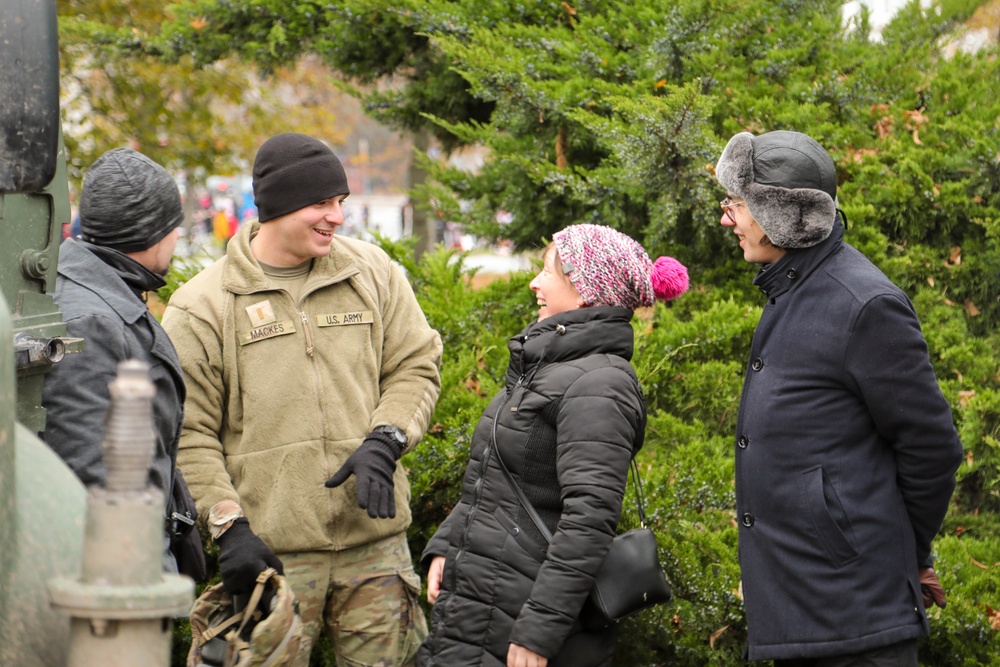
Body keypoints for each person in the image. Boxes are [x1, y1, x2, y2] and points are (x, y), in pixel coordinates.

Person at [161, 132, 443, 666]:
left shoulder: (372, 273)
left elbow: (415, 363)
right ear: (277, 207)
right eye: (320, 203)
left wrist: (388, 437)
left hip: (376, 550)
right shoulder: (202, 306)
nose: (336, 216)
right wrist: (230, 527)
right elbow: (188, 432)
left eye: (340, 202)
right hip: (273, 557)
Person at [714, 130, 964, 666]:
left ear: (783, 213)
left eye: (736, 205)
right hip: (810, 610)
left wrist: (907, 555)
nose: (725, 219)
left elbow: (932, 447)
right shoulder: (791, 285)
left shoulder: (863, 304)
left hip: (854, 623)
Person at [417, 224, 689, 667]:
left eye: (547, 272)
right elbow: (491, 478)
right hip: (483, 601)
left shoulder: (600, 384)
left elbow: (589, 519)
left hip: (523, 619)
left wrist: (539, 632)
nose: (534, 283)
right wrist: (448, 546)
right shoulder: (545, 365)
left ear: (585, 291)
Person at [40, 147, 191, 573]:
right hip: (118, 575)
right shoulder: (92, 320)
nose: (178, 236)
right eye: (173, 224)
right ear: (150, 232)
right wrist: (147, 582)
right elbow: (94, 476)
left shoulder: (98, 292)